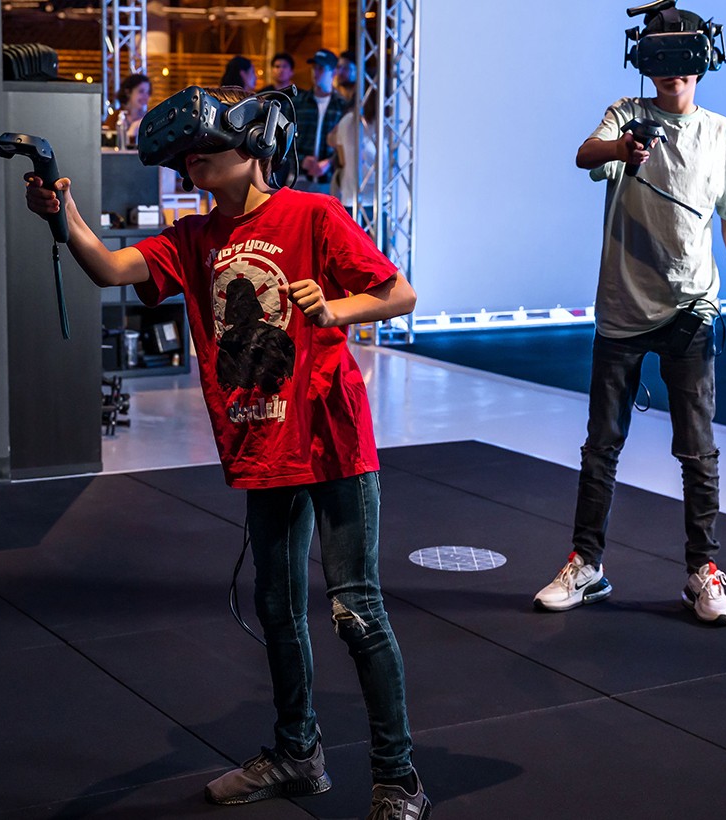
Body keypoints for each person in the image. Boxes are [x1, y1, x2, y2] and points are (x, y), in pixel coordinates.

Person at [21, 86, 431, 820]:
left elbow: (399, 293)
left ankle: (398, 779)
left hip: (331, 439)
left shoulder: (314, 215)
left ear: (255, 146)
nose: (194, 161)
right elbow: (109, 269)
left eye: (206, 148)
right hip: (263, 442)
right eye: (188, 155)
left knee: (355, 610)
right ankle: (298, 755)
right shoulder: (191, 238)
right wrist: (64, 214)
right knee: (276, 606)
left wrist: (333, 308)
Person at [533, 7, 726, 626]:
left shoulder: (721, 132)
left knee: (698, 450)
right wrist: (621, 148)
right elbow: (585, 154)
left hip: (692, 307)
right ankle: (586, 565)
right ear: (645, 63)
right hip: (623, 308)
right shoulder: (626, 115)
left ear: (702, 62)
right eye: (661, 60)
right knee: (602, 445)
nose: (671, 73)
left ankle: (703, 571)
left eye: (681, 61)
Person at [291, 50, 349, 194]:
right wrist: (301, 159)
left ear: (333, 72)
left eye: (321, 68)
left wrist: (329, 162)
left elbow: (348, 144)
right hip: (299, 178)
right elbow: (284, 141)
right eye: (314, 68)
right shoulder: (298, 103)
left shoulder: (342, 106)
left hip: (330, 180)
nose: (315, 73)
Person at [103, 72, 150, 148]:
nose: (146, 96)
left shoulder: (148, 117)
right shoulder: (114, 118)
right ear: (128, 92)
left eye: (148, 92)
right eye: (141, 91)